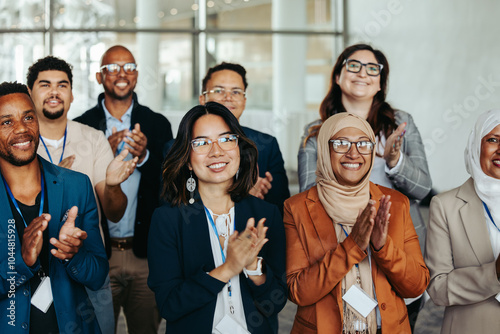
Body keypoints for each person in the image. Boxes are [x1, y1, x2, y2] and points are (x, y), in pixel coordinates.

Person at [148, 102, 287, 333]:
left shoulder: (265, 215)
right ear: (187, 159)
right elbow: (170, 305)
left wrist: (253, 267)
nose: (216, 151)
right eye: (201, 143)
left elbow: (275, 303)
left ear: (239, 149)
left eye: (226, 139)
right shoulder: (168, 220)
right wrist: (228, 268)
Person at [285, 112, 429, 333]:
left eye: (363, 144)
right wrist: (352, 246)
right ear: (324, 149)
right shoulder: (297, 207)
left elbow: (416, 285)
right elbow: (298, 292)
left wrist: (382, 247)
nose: (354, 153)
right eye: (341, 143)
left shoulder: (396, 203)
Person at [27, 55, 137, 334]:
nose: (54, 91)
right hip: (30, 268)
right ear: (30, 93)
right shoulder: (20, 142)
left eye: (62, 85)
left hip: (86, 264)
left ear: (72, 94)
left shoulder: (92, 138)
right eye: (45, 84)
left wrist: (112, 185)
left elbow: (114, 212)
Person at [74, 45, 173, 333]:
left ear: (137, 75)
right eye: (112, 68)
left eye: (128, 67)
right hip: (98, 253)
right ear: (98, 76)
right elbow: (76, 186)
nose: (121, 74)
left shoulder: (157, 124)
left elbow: (172, 184)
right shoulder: (82, 125)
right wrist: (104, 152)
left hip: (145, 254)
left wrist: (144, 156)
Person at [298, 44, 431, 254]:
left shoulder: (401, 123)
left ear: (380, 83)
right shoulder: (317, 132)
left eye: (372, 68)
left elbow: (422, 189)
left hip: (399, 237)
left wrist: (395, 161)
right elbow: (308, 198)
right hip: (339, 239)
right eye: (353, 66)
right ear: (337, 77)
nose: (362, 73)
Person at [0, 81, 108, 333]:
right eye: (6, 122)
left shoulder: (77, 185)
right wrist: (23, 262)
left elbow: (97, 275)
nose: (21, 129)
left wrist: (73, 254)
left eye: (28, 117)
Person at [425, 109, 500, 333]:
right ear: (477, 145)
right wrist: (494, 273)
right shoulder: (446, 205)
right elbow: (437, 288)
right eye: (493, 139)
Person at [199, 62, 290, 213]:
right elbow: (171, 204)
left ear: (244, 101)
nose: (228, 97)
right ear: (203, 99)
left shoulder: (267, 146)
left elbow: (281, 210)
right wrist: (243, 195)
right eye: (219, 90)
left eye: (236, 92)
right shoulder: (178, 147)